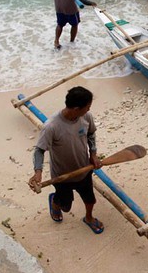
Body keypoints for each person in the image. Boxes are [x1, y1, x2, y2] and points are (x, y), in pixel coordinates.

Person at [28, 86, 105, 234]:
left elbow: (91, 134)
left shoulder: (86, 118)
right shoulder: (51, 127)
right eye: (87, 107)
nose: (89, 110)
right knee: (65, 206)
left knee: (90, 200)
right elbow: (39, 150)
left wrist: (93, 154)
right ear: (76, 109)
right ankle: (55, 203)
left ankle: (89, 218)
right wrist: (38, 172)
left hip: (83, 170)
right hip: (62, 176)